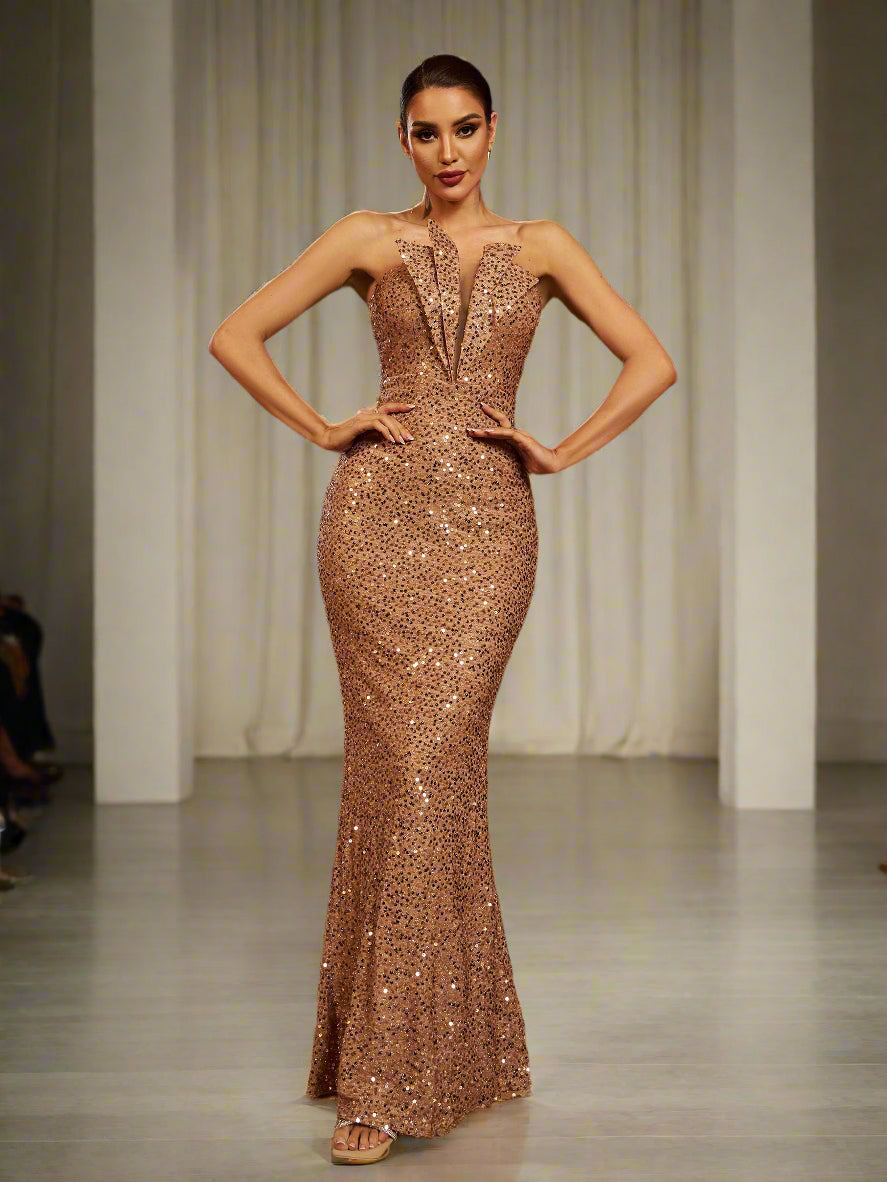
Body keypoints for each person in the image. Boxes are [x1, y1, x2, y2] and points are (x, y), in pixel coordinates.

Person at [209, 53, 677, 1165]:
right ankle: (403, 1070)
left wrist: (558, 449)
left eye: (465, 128)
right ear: (403, 140)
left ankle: (414, 1064)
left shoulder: (543, 246)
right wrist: (323, 426)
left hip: (489, 536)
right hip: (373, 526)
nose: (448, 151)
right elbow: (234, 334)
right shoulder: (367, 237)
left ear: (493, 129)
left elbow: (650, 362)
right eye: (427, 132)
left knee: (435, 773)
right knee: (400, 782)